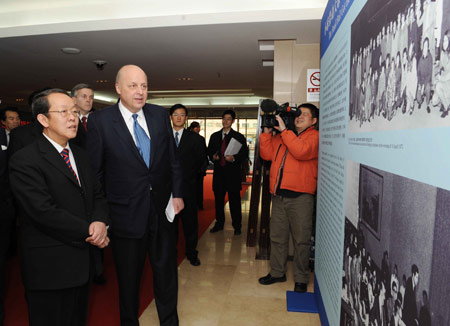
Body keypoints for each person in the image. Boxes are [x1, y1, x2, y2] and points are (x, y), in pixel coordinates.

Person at [87, 64, 183, 326]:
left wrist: (177, 193)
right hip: (125, 214)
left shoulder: (159, 115)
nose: (140, 92)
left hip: (162, 211)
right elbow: (96, 175)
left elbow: (172, 160)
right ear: (118, 88)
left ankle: (170, 321)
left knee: (166, 273)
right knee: (129, 279)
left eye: (144, 86)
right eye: (133, 86)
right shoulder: (100, 122)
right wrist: (101, 216)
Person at [9, 88, 109, 326]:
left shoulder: (81, 156)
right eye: (63, 112)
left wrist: (100, 221)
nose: (72, 117)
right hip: (50, 268)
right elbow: (43, 211)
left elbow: (98, 195)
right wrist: (90, 231)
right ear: (43, 119)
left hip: (82, 265)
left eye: (74, 111)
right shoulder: (25, 160)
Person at [258, 103, 319, 293]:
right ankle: (277, 272)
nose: (299, 117)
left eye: (305, 115)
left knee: (301, 240)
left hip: (301, 197)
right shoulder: (284, 136)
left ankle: (301, 278)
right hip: (278, 195)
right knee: (277, 237)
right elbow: (266, 155)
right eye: (298, 114)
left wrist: (285, 131)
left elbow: (300, 152)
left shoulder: (315, 137)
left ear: (314, 120)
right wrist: (267, 132)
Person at [169, 104, 207, 266]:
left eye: (182, 115)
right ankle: (170, 253)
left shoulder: (196, 139)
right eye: (175, 114)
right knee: (170, 225)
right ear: (171, 117)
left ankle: (192, 253)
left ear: (186, 119)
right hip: (167, 190)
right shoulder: (162, 137)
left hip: (188, 189)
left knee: (190, 223)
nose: (178, 117)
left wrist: (191, 179)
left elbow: (202, 163)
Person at [207, 110, 248, 235]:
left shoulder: (239, 137)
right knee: (218, 202)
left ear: (233, 121)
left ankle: (237, 226)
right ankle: (219, 223)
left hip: (233, 174)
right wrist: (213, 157)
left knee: (234, 201)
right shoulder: (214, 136)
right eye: (224, 119)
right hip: (219, 174)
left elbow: (244, 154)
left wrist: (234, 158)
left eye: (228, 119)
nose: (226, 121)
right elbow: (209, 151)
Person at [188, 121, 208, 210]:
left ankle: (196, 204)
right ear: (192, 128)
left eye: (198, 127)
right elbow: (204, 153)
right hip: (198, 167)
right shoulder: (199, 139)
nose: (198, 129)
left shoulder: (199, 138)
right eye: (196, 127)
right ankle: (198, 204)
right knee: (198, 187)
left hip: (196, 167)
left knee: (196, 187)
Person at [71, 83, 95, 148]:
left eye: (91, 97)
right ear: (74, 100)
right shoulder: (68, 120)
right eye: (84, 96)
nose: (88, 100)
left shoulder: (99, 120)